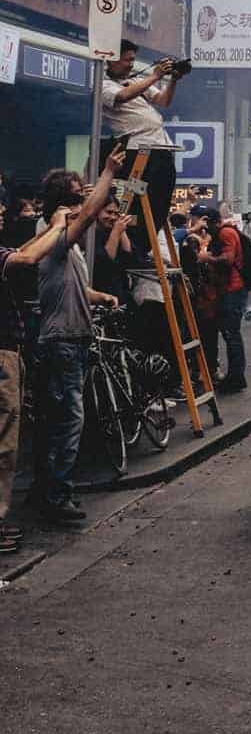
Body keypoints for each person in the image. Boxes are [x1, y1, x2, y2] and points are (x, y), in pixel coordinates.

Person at [29, 149, 126, 525]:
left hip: (71, 338)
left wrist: (99, 296)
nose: (83, 196)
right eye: (76, 193)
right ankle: (56, 496)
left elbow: (72, 286)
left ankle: (45, 489)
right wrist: (108, 172)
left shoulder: (59, 241)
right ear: (65, 205)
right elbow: (88, 213)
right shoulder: (54, 233)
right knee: (68, 420)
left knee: (57, 419)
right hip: (63, 341)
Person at [1, 210, 96, 555]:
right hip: (15, 350)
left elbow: (24, 252)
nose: (3, 214)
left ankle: (43, 492)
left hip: (18, 349)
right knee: (13, 438)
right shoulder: (53, 242)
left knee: (30, 429)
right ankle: (51, 497)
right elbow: (27, 256)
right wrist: (58, 225)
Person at [101, 42, 189, 247]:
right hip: (138, 153)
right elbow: (122, 96)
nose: (131, 64)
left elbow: (163, 100)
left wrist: (173, 80)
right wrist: (156, 75)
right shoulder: (104, 84)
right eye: (128, 59)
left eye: (133, 60)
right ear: (112, 59)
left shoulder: (138, 81)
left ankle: (146, 246)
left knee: (161, 200)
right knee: (140, 200)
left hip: (161, 149)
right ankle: (135, 246)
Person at [196, 206, 247, 392]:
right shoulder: (222, 233)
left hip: (233, 289)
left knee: (231, 332)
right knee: (229, 332)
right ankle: (234, 376)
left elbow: (228, 259)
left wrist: (206, 258)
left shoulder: (226, 233)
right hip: (228, 289)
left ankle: (236, 377)